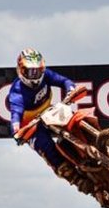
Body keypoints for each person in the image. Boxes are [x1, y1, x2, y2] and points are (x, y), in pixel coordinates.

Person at [8, 48, 92, 194]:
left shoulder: (46, 75)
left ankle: (97, 140)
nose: (34, 75)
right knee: (46, 146)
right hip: (30, 125)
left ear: (43, 68)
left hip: (49, 111)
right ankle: (76, 179)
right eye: (30, 72)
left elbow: (64, 81)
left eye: (37, 70)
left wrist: (71, 89)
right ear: (20, 70)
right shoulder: (17, 92)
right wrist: (17, 130)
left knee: (75, 118)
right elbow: (15, 114)